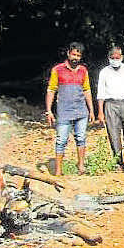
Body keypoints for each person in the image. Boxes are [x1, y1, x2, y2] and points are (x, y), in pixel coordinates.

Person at [45, 42, 95, 175]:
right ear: (68, 53)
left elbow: (87, 90)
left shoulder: (83, 70)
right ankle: (58, 170)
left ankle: (81, 166)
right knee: (61, 140)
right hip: (64, 112)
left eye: (78, 55)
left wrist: (91, 110)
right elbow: (51, 90)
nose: (75, 57)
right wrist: (49, 111)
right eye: (73, 54)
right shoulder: (57, 70)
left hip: (81, 111)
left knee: (81, 138)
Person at [96, 46, 124, 171]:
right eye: (113, 58)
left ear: (122, 57)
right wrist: (100, 112)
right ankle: (118, 163)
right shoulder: (104, 72)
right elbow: (101, 92)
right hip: (111, 105)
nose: (115, 60)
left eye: (117, 57)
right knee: (113, 135)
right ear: (109, 58)